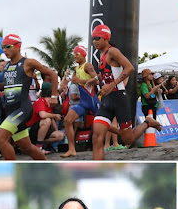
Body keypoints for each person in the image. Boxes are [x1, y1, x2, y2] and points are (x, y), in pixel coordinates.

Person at [90, 24, 162, 160]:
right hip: (106, 99)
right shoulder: (101, 54)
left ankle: (148, 123)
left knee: (128, 140)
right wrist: (94, 80)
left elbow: (130, 67)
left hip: (119, 98)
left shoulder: (113, 51)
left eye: (97, 38)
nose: (94, 41)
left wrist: (113, 84)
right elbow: (106, 74)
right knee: (96, 137)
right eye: (93, 38)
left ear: (105, 38)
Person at [0, 34, 60, 160]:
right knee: (26, 147)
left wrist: (54, 96)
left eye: (8, 47)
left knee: (0, 140)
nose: (5, 50)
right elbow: (10, 85)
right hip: (10, 109)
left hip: (22, 108)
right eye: (3, 47)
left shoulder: (28, 63)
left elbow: (52, 74)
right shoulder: (7, 66)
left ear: (18, 46)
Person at [61, 45, 100, 158]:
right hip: (83, 103)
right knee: (68, 120)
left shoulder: (87, 65)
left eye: (77, 54)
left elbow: (97, 80)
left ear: (83, 54)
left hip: (92, 101)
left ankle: (121, 137)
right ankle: (72, 149)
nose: (74, 56)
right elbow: (72, 81)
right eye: (74, 54)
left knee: (105, 124)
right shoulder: (76, 69)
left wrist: (80, 80)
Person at [25, 82, 64, 153]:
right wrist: (55, 115)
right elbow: (43, 115)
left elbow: (51, 118)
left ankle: (38, 144)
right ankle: (39, 147)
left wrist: (56, 130)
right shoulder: (40, 101)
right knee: (47, 120)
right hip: (31, 129)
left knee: (60, 135)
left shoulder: (50, 104)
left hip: (42, 129)